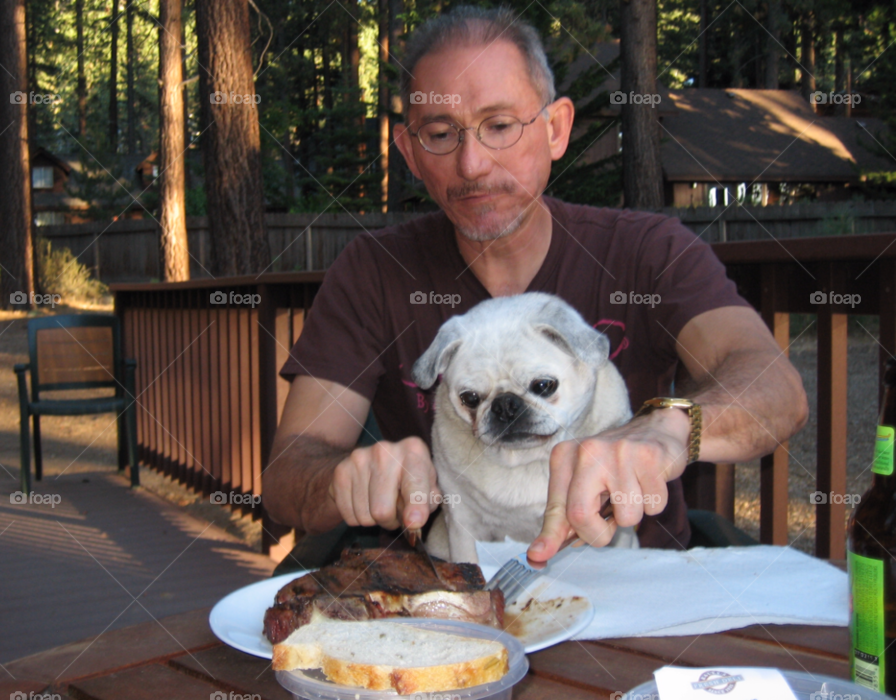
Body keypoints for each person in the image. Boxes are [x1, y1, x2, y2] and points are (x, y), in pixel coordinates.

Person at [261, 6, 808, 562]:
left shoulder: (650, 251)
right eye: (441, 134)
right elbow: (285, 478)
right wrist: (344, 479)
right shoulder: (372, 271)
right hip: (452, 594)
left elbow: (775, 390)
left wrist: (670, 429)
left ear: (555, 129)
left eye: (500, 125)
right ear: (410, 153)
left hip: (637, 587)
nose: (472, 164)